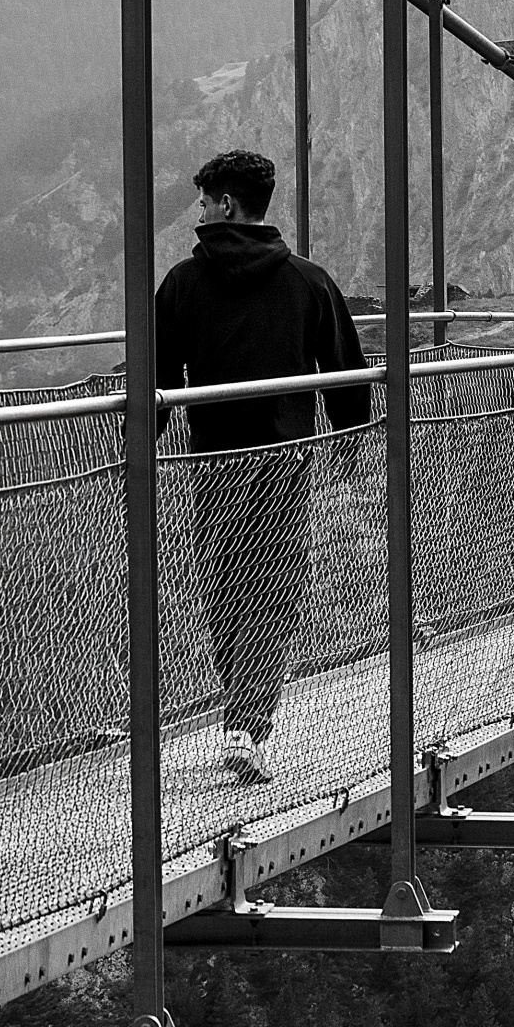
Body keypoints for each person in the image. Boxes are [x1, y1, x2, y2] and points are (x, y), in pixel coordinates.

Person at [154, 149, 371, 780]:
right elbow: (349, 375)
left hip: (215, 464)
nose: (199, 213)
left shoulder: (181, 284)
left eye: (203, 203)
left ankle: (239, 722)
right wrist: (348, 449)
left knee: (225, 591)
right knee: (274, 593)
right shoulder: (310, 282)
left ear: (225, 205)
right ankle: (249, 727)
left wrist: (131, 450)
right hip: (284, 463)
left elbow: (156, 381)